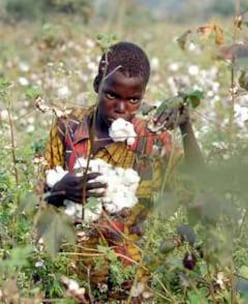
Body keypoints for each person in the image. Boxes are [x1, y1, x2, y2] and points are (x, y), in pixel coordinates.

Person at [43, 41, 203, 301]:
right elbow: (40, 199)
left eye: (133, 100)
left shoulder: (152, 140)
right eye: (111, 95)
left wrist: (186, 128)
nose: (121, 108)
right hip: (69, 273)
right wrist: (59, 190)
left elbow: (200, 185)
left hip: (129, 278)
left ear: (142, 96)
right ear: (98, 85)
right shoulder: (68, 128)